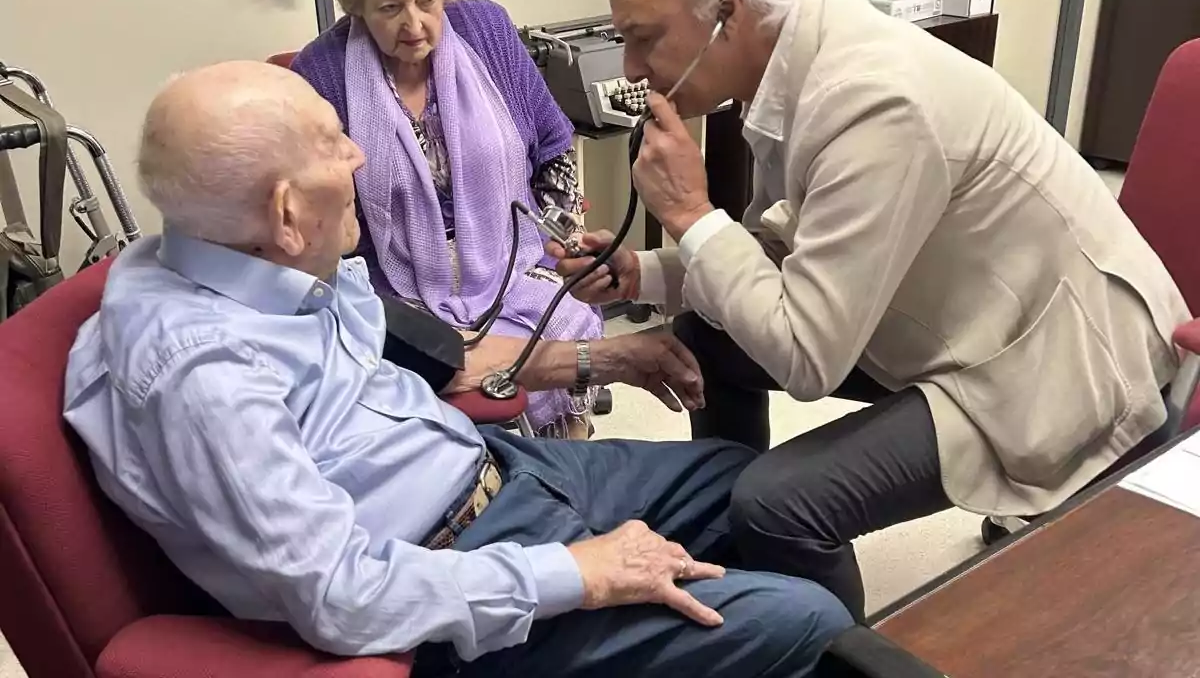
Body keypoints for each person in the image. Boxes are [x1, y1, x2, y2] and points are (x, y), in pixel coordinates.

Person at [62, 61, 852, 677]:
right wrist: (577, 571)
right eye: (334, 145)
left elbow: (442, 362)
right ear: (287, 214)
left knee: (752, 486)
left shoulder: (241, 256)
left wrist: (602, 358)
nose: (359, 154)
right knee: (806, 622)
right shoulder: (203, 380)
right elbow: (340, 596)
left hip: (496, 467)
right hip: (450, 575)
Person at [553, 0, 1191, 622]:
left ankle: (831, 651)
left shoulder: (873, 100)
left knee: (778, 504)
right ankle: (734, 551)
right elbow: (789, 245)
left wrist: (693, 216)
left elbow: (806, 356)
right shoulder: (802, 52)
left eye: (643, 36)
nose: (630, 69)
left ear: (727, 13)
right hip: (958, 314)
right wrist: (648, 270)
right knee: (712, 338)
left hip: (1052, 367)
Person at [290, 0, 601, 439]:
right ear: (357, 6)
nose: (414, 23)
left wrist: (561, 237)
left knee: (564, 323)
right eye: (390, 7)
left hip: (515, 260)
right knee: (429, 357)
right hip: (397, 284)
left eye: (427, 1)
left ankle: (571, 467)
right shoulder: (322, 70)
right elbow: (325, 209)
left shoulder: (487, 30)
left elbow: (553, 146)